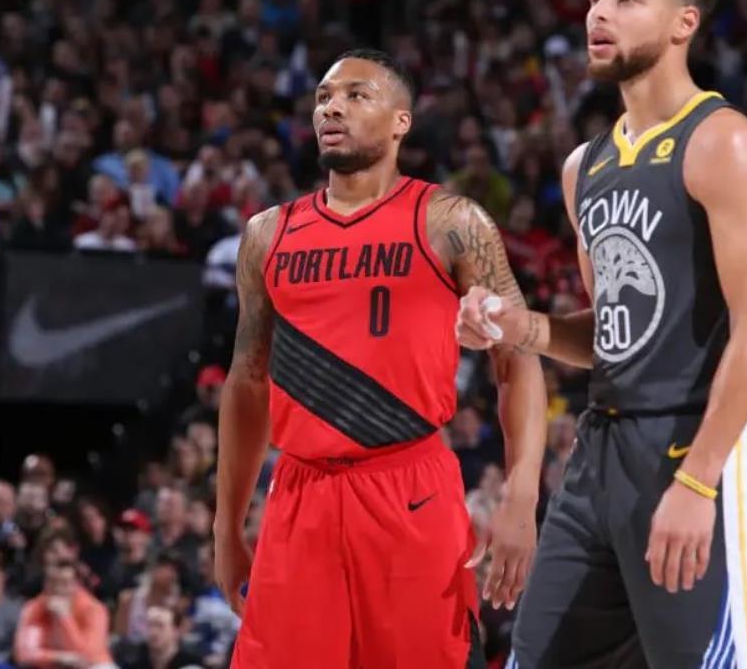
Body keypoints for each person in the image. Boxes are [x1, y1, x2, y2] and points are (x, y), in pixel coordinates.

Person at [456, 0, 747, 667]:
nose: (598, 13)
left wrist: (697, 479)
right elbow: (616, 331)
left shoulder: (724, 144)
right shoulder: (586, 166)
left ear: (683, 23)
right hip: (601, 450)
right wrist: (521, 326)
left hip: (696, 444)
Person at [215, 48, 546, 668]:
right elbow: (247, 383)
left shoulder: (452, 221)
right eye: (323, 97)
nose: (331, 108)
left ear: (401, 122)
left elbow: (517, 359)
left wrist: (521, 494)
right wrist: (226, 525)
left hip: (410, 487)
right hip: (299, 497)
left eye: (356, 95)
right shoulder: (268, 233)